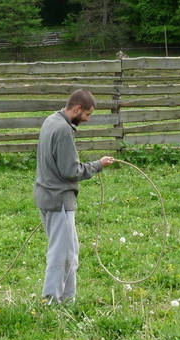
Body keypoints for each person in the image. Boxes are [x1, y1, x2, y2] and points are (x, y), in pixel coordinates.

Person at [34, 89, 114, 304]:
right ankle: (51, 301)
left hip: (48, 196)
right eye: (87, 114)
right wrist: (98, 165)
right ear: (77, 108)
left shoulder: (51, 120)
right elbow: (71, 171)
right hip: (59, 200)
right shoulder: (63, 130)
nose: (87, 119)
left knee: (70, 253)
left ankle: (67, 300)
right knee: (61, 255)